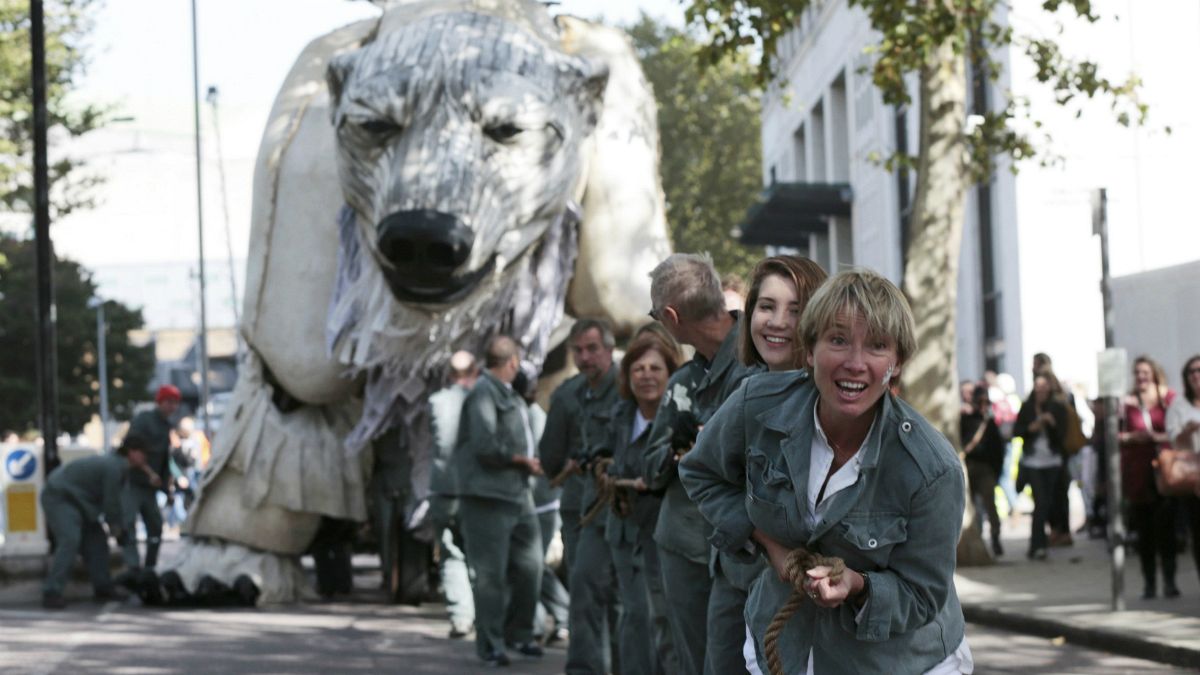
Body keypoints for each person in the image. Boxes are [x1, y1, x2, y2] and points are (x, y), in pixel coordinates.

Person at [680, 268, 971, 674]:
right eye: (837, 340)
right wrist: (771, 545)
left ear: (897, 363)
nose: (855, 363)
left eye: (876, 346)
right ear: (810, 349)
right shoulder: (756, 405)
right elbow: (701, 474)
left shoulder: (932, 469)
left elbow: (923, 595)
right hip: (785, 644)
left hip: (902, 663)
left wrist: (857, 585)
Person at [704, 255, 826, 675]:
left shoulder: (842, 394)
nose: (777, 321)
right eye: (767, 306)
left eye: (796, 309)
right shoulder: (747, 392)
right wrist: (770, 545)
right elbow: (703, 473)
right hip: (745, 574)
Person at [643, 253, 755, 675]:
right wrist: (680, 454)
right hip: (689, 543)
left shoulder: (758, 354)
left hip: (749, 547)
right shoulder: (686, 380)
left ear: (670, 317)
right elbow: (651, 464)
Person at [454, 336, 545, 666]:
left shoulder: (510, 395)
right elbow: (484, 446)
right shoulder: (483, 392)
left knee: (531, 566)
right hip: (487, 496)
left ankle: (519, 634)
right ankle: (490, 644)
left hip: (518, 495)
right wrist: (521, 461)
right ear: (512, 363)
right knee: (490, 575)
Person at [599, 331, 683, 675]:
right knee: (631, 619)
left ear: (670, 374)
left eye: (655, 368)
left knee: (665, 623)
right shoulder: (620, 415)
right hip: (623, 534)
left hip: (665, 539)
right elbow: (603, 454)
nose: (646, 375)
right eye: (638, 369)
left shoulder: (681, 420)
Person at [558, 319, 622, 675]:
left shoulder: (627, 386)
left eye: (592, 348)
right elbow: (552, 452)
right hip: (585, 509)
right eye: (578, 350)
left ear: (609, 350)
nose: (585, 357)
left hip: (623, 507)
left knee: (621, 600)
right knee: (584, 589)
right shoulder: (570, 393)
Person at [41, 436, 150, 609]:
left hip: (80, 502)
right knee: (70, 540)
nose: (146, 457)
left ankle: (103, 587)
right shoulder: (115, 467)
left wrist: (117, 528)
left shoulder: (117, 465)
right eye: (143, 452)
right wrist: (118, 530)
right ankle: (52, 591)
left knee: (97, 541)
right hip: (60, 496)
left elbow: (112, 505)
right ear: (132, 453)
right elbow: (111, 504)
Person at [428, 350, 480, 638]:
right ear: (474, 372)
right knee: (477, 553)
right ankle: (482, 614)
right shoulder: (480, 400)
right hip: (471, 490)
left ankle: (461, 617)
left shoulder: (435, 402)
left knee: (450, 553)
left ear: (449, 375)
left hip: (443, 490)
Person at [1120, 355, 1179, 599]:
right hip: (1138, 473)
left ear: (1154, 373)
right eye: (1137, 373)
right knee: (1144, 533)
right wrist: (1133, 438)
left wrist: (1156, 437)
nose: (1141, 377)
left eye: (1145, 372)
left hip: (1163, 470)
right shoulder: (1127, 403)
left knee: (1167, 529)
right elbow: (1116, 435)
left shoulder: (1168, 399)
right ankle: (1149, 583)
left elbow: (1177, 430)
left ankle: (1170, 580)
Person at [122, 384, 180, 570]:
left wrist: (166, 485)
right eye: (169, 402)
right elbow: (132, 449)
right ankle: (132, 568)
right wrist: (149, 472)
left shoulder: (166, 426)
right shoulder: (144, 420)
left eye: (175, 403)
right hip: (133, 482)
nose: (172, 407)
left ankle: (150, 568)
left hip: (151, 487)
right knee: (128, 525)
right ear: (160, 401)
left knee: (155, 527)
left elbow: (164, 457)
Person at [1013, 373, 1068, 560]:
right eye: (1038, 387)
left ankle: (1041, 543)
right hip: (1033, 462)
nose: (1041, 391)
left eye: (1045, 387)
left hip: (1052, 461)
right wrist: (1031, 428)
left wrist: (1052, 424)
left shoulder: (1057, 407)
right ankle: (1037, 545)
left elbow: (1064, 436)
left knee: (1048, 503)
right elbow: (1016, 430)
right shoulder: (1027, 406)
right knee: (1041, 502)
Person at [961, 383, 1006, 557]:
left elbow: (998, 450)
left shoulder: (990, 424)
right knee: (972, 508)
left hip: (986, 469)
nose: (983, 405)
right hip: (970, 467)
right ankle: (978, 536)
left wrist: (996, 472)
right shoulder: (966, 420)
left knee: (990, 506)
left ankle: (995, 536)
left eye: (986, 401)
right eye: (980, 401)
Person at [1167, 355, 1200, 584]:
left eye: (1199, 370)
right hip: (1192, 473)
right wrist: (1187, 432)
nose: (1196, 375)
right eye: (1192, 372)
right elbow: (1173, 440)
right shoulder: (1179, 405)